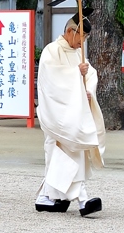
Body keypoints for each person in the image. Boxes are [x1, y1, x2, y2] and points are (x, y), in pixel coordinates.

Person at [34, 16, 105, 215]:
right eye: (80, 37)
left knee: (72, 151)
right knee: (64, 151)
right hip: (57, 114)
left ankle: (47, 197)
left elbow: (90, 74)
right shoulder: (51, 51)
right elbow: (53, 80)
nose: (81, 43)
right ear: (69, 32)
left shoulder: (78, 54)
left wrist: (87, 89)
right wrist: (76, 73)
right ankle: (81, 198)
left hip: (72, 114)